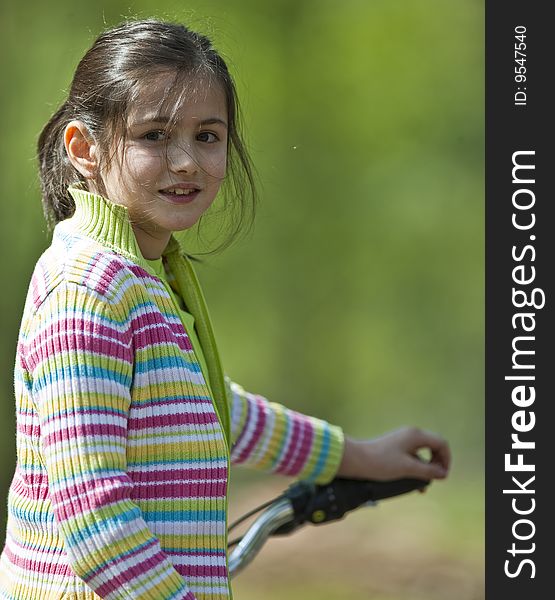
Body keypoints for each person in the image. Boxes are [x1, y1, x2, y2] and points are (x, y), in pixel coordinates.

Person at [0, 19, 450, 600]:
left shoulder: (146, 276)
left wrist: (356, 456)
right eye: (154, 136)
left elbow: (214, 410)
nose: (186, 161)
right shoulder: (89, 289)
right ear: (85, 149)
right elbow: (93, 518)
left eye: (207, 136)